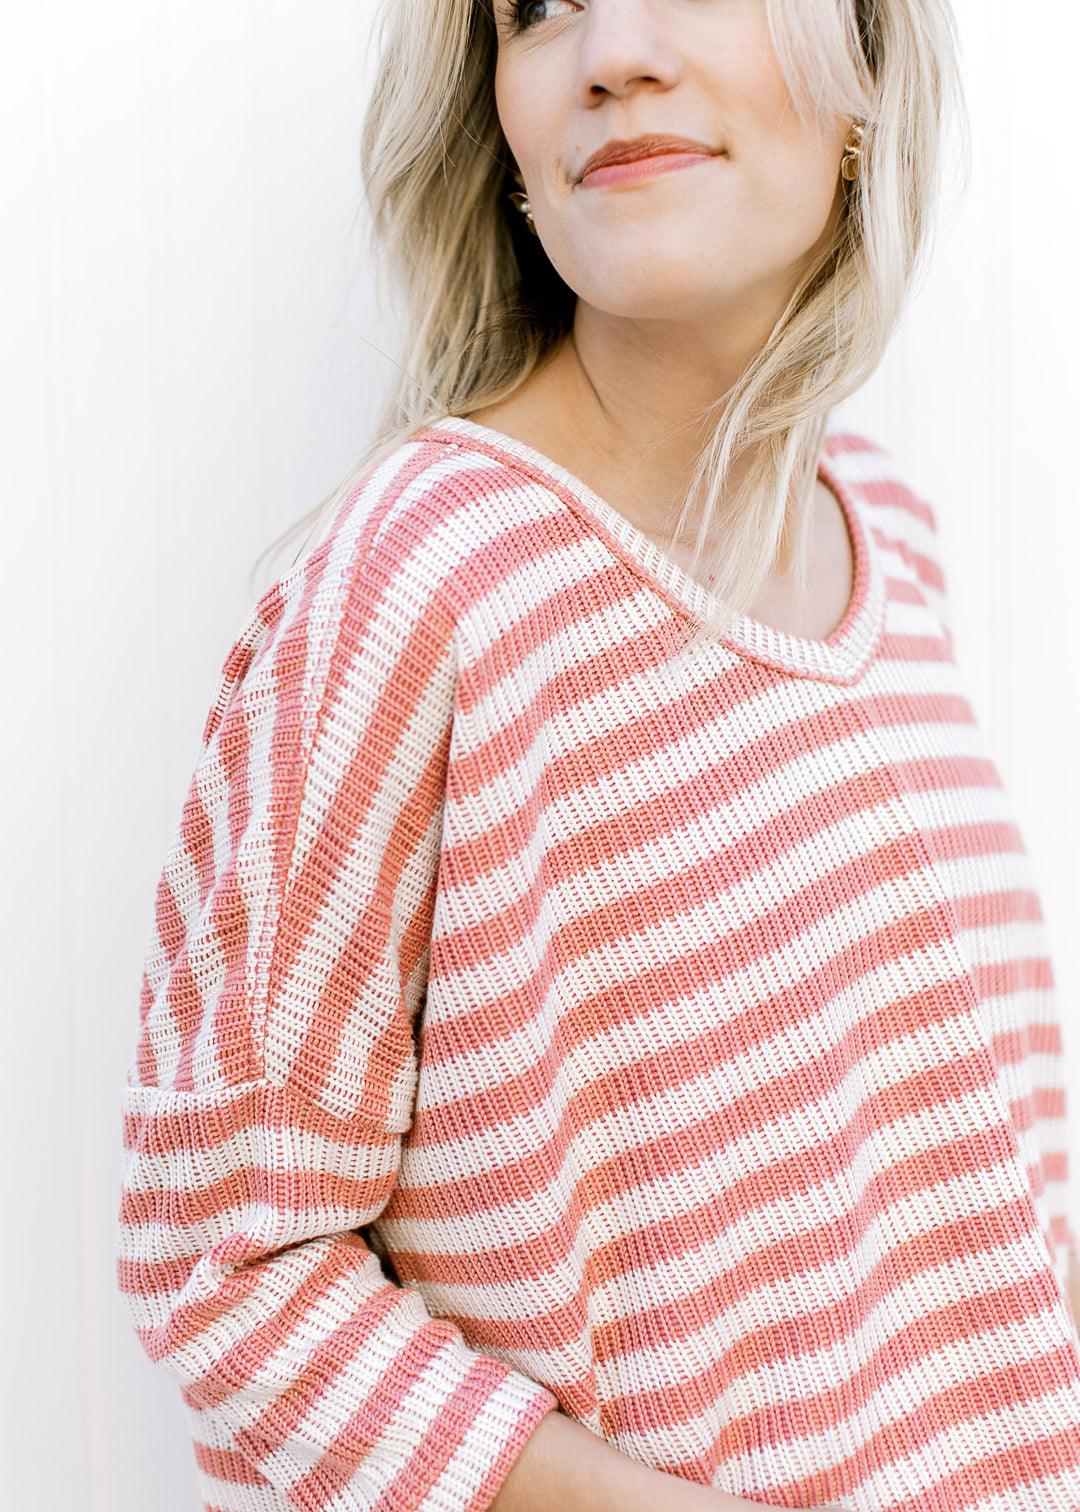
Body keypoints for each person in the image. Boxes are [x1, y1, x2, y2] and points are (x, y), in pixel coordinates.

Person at [116, 0, 1080, 1508]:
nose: (608, 50)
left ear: (866, 70)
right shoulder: (424, 578)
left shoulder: (887, 529)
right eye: (537, 5)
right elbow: (225, 1258)